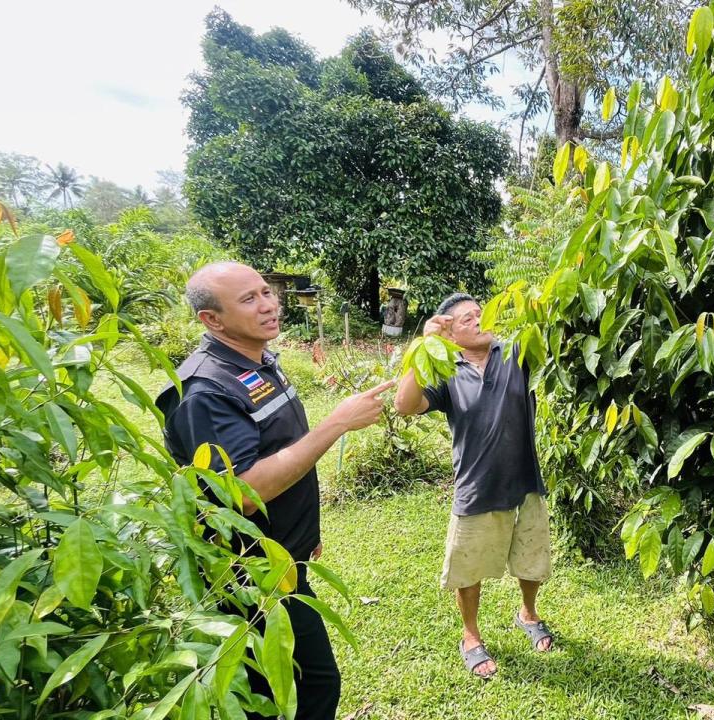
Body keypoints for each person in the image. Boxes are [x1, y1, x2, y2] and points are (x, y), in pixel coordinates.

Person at [156, 261, 393, 719]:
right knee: (298, 687)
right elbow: (240, 493)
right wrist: (338, 422)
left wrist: (304, 536)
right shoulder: (204, 392)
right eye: (249, 299)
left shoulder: (257, 362)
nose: (269, 305)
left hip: (284, 558)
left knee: (297, 681)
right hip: (248, 572)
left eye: (266, 292)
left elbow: (281, 451)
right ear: (212, 320)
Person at [394, 292, 555, 679]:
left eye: (480, 314)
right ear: (449, 333)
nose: (479, 321)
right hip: (476, 484)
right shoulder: (445, 370)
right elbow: (404, 405)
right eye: (466, 319)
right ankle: (470, 635)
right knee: (468, 568)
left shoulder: (517, 352)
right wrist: (422, 347)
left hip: (525, 478)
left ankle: (528, 614)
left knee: (531, 556)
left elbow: (554, 343)